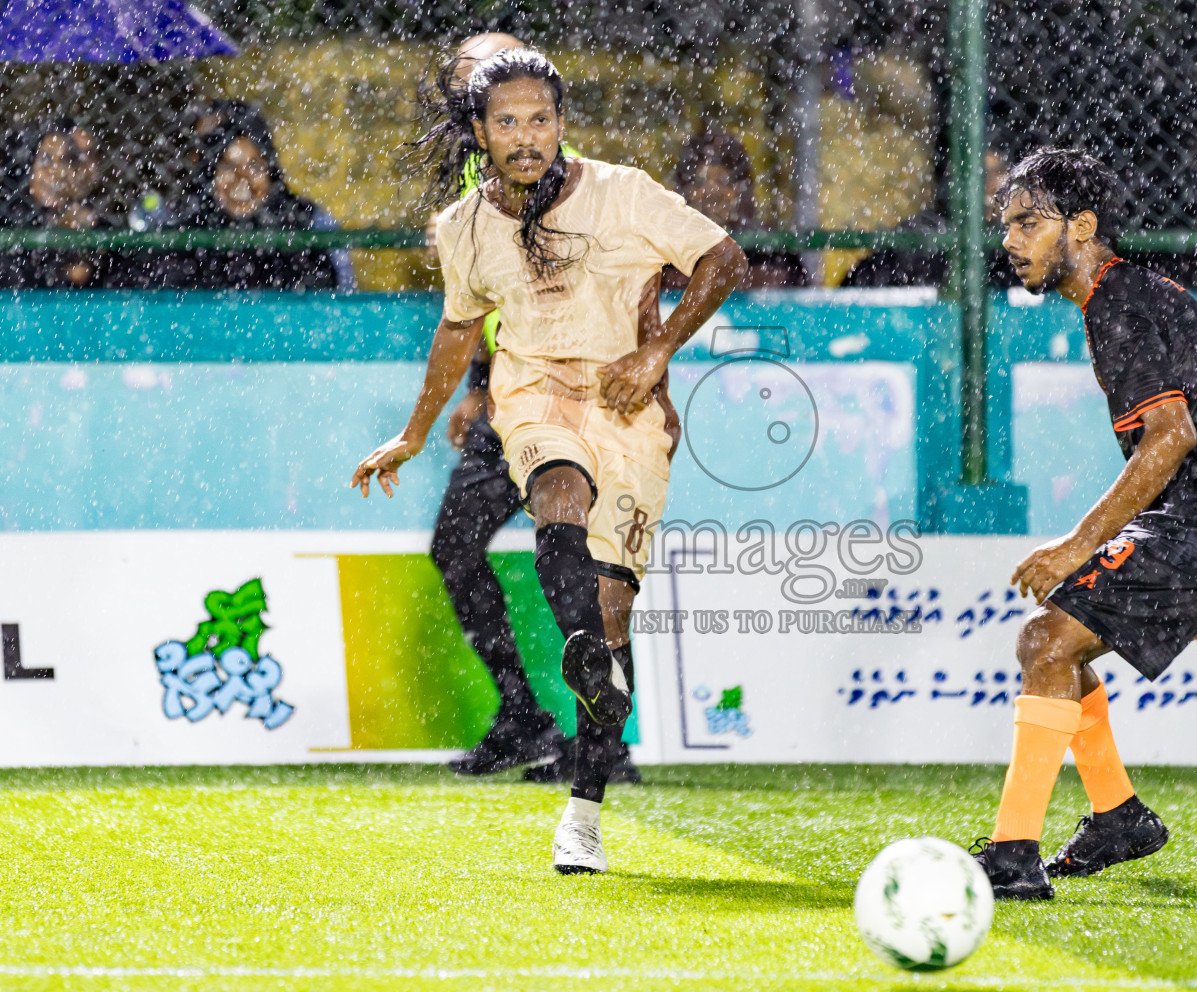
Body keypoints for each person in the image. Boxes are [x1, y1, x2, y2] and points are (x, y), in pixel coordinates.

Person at [351, 48, 746, 874]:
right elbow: (459, 329)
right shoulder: (462, 226)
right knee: (554, 489)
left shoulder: (623, 192)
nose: (525, 137)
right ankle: (584, 663)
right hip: (535, 401)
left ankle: (585, 808)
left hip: (631, 409)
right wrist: (415, 431)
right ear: (478, 132)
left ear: (560, 123)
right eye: (507, 122)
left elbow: (724, 259)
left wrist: (659, 350)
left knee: (611, 609)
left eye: (539, 120)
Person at [969, 148, 1197, 901]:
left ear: (1083, 225)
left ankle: (1013, 857)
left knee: (1044, 641)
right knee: (1052, 646)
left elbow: (1172, 437)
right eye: (1007, 225)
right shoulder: (1129, 295)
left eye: (1028, 223)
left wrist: (1082, 544)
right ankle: (1117, 816)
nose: (1010, 240)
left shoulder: (1119, 302)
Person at [415, 31, 600, 781]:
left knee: (584, 561)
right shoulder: (472, 168)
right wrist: (476, 386)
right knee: (457, 549)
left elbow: (560, 290)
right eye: (474, 76)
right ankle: (524, 716)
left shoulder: (547, 163)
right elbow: (483, 298)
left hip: (569, 392)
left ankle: (598, 742)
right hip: (507, 393)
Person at [160, 106, 351, 291]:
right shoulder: (182, 228)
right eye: (228, 167)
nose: (242, 181)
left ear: (271, 173)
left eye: (255, 167)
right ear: (210, 175)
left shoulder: (306, 223)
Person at [841, 148, 1015, 288]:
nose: (995, 183)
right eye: (983, 174)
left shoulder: (1009, 243)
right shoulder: (925, 236)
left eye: (999, 172)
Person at [665, 129, 808, 289]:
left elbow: (801, 302)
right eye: (699, 182)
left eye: (725, 180)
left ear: (743, 190)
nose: (713, 193)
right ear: (683, 190)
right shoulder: (663, 258)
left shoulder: (770, 254)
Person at [0, 119, 127, 288]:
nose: (55, 169)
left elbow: (84, 275)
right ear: (30, 164)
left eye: (67, 160)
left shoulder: (93, 214)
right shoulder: (12, 206)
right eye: (46, 158)